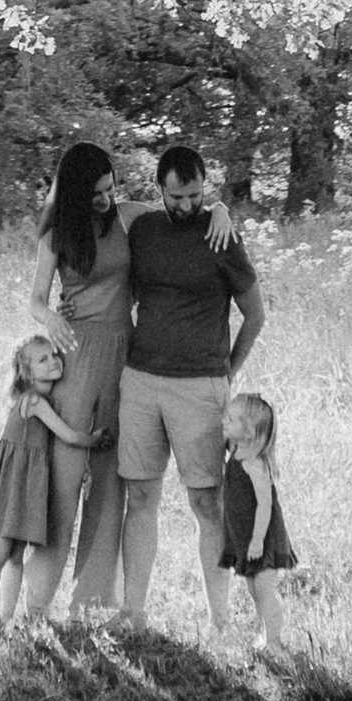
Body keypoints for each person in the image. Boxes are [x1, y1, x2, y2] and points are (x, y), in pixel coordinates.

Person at [19, 137, 240, 621]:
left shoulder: (128, 217)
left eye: (110, 188)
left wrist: (221, 209)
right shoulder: (56, 234)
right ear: (74, 192)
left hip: (126, 357)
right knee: (64, 478)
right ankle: (37, 601)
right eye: (95, 192)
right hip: (76, 357)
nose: (105, 198)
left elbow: (183, 208)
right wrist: (50, 319)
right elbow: (35, 298)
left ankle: (91, 602)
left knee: (110, 485)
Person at [118, 137, 263, 630]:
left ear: (206, 187)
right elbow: (103, 208)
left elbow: (255, 314)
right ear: (159, 189)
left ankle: (220, 621)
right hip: (141, 381)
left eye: (197, 196)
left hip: (200, 386)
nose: (187, 206)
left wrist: (228, 370)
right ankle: (133, 614)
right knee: (140, 497)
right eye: (176, 197)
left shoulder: (222, 236)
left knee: (206, 503)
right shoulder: (143, 229)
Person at [0, 334, 95, 632]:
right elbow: (68, 435)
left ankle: (7, 619)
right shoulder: (35, 401)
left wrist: (85, 465)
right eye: (42, 360)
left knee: (16, 556)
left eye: (54, 355)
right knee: (0, 554)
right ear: (26, 372)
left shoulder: (43, 399)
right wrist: (95, 440)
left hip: (26, 486)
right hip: (14, 485)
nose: (54, 362)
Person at [219, 391, 297, 653]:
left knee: (264, 590)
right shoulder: (236, 451)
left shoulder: (254, 464)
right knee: (254, 590)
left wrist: (257, 541)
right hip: (245, 536)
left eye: (231, 420)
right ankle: (265, 634)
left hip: (263, 537)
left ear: (249, 431)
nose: (224, 421)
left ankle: (275, 641)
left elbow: (265, 505)